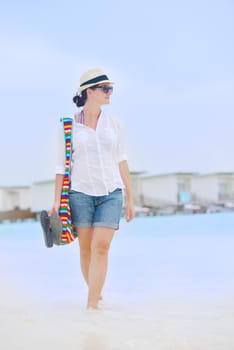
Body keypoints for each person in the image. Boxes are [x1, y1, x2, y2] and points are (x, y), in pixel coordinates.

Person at [50, 68, 134, 310]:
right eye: (105, 88)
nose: (110, 93)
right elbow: (60, 166)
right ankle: (96, 296)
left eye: (110, 88)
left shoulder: (114, 124)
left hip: (111, 192)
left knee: (102, 247)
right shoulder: (68, 127)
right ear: (89, 91)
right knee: (86, 249)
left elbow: (122, 159)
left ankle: (91, 307)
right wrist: (56, 201)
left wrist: (130, 197)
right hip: (81, 194)